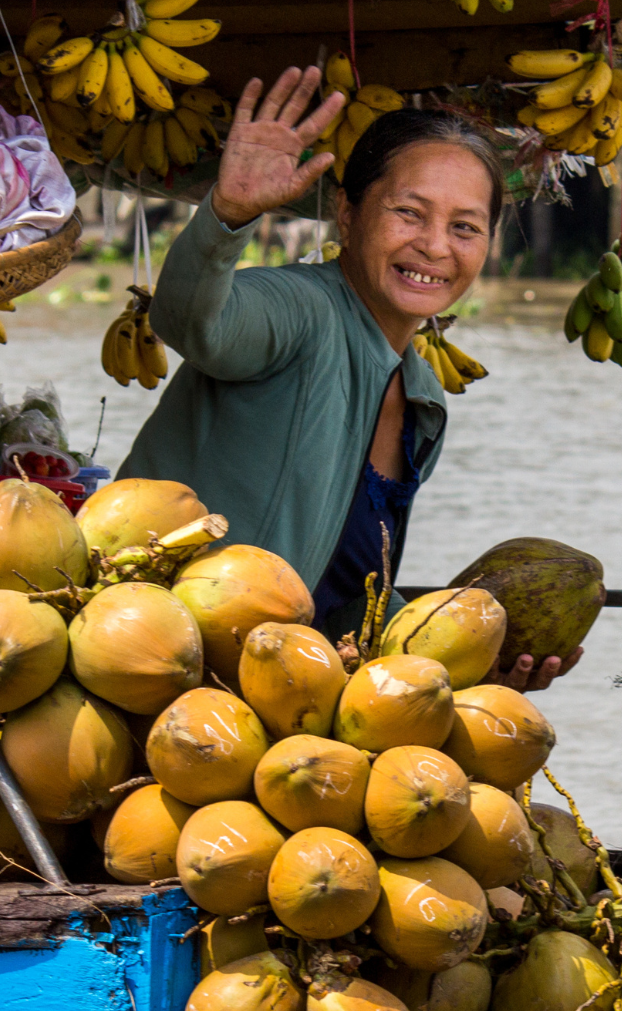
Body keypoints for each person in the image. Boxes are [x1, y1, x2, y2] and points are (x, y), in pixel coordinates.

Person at [120, 66, 579, 691]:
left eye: (465, 226)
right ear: (348, 211)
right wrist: (226, 215)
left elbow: (342, 599)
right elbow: (193, 323)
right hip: (148, 657)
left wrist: (466, 658)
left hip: (266, 695)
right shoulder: (300, 309)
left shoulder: (422, 400)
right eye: (409, 213)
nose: (436, 246)